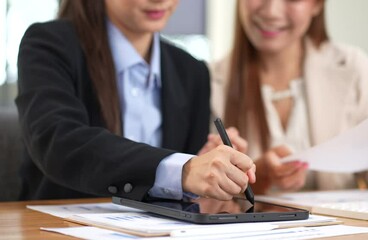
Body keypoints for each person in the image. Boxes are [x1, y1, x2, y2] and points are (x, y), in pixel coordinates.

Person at [16, 0, 255, 201]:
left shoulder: (192, 71)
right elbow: (59, 142)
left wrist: (200, 163)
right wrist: (181, 169)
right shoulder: (48, 44)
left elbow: (180, 196)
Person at [210, 0, 368, 194]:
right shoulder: (208, 81)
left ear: (317, 4)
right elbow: (200, 189)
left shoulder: (352, 68)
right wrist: (255, 180)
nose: (272, 11)